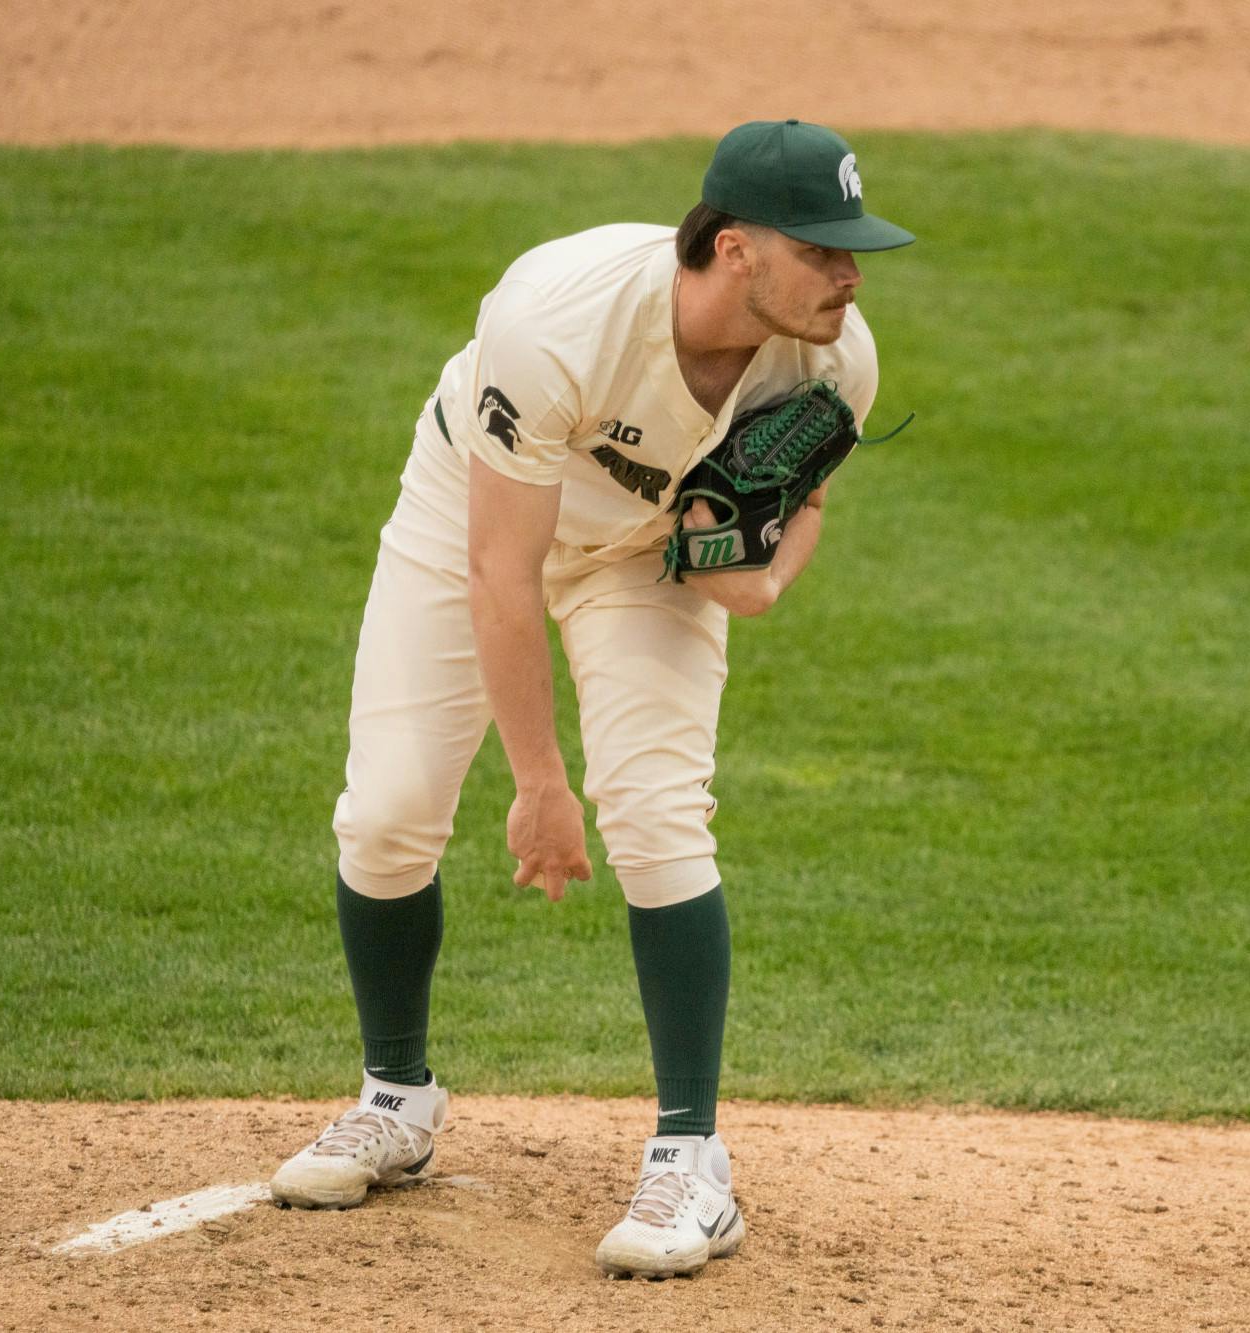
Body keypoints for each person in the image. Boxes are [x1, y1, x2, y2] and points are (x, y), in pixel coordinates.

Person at [268, 119, 915, 1280]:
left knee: (659, 816)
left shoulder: (833, 358)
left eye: (851, 248)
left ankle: (689, 1162)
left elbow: (800, 500)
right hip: (476, 516)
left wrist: (761, 580)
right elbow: (500, 575)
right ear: (730, 245)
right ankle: (394, 1096)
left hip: (643, 555)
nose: (848, 274)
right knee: (388, 810)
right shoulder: (556, 318)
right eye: (820, 248)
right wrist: (537, 784)